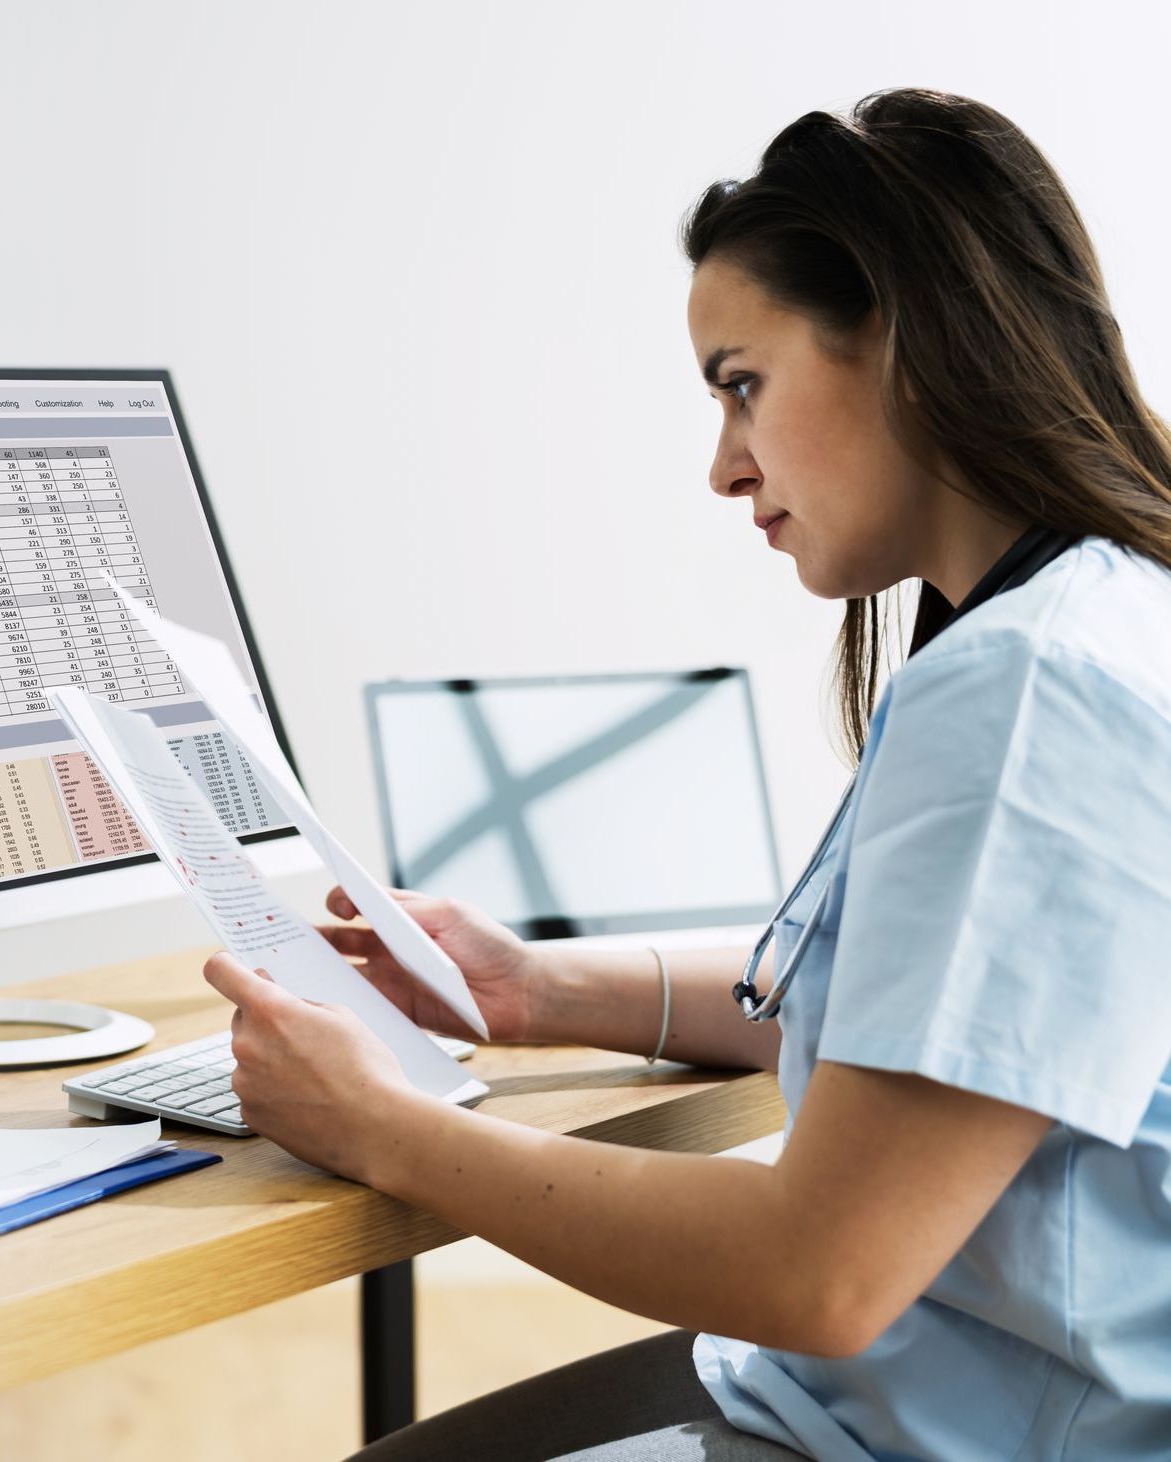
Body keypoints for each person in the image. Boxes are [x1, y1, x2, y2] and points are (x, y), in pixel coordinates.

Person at [204, 87, 1171, 1460]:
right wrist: (531, 985)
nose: (723, 466)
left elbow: (821, 1270)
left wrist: (385, 1127)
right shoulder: (1104, 612)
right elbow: (934, 1032)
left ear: (900, 339)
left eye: (740, 383)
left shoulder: (1032, 688)